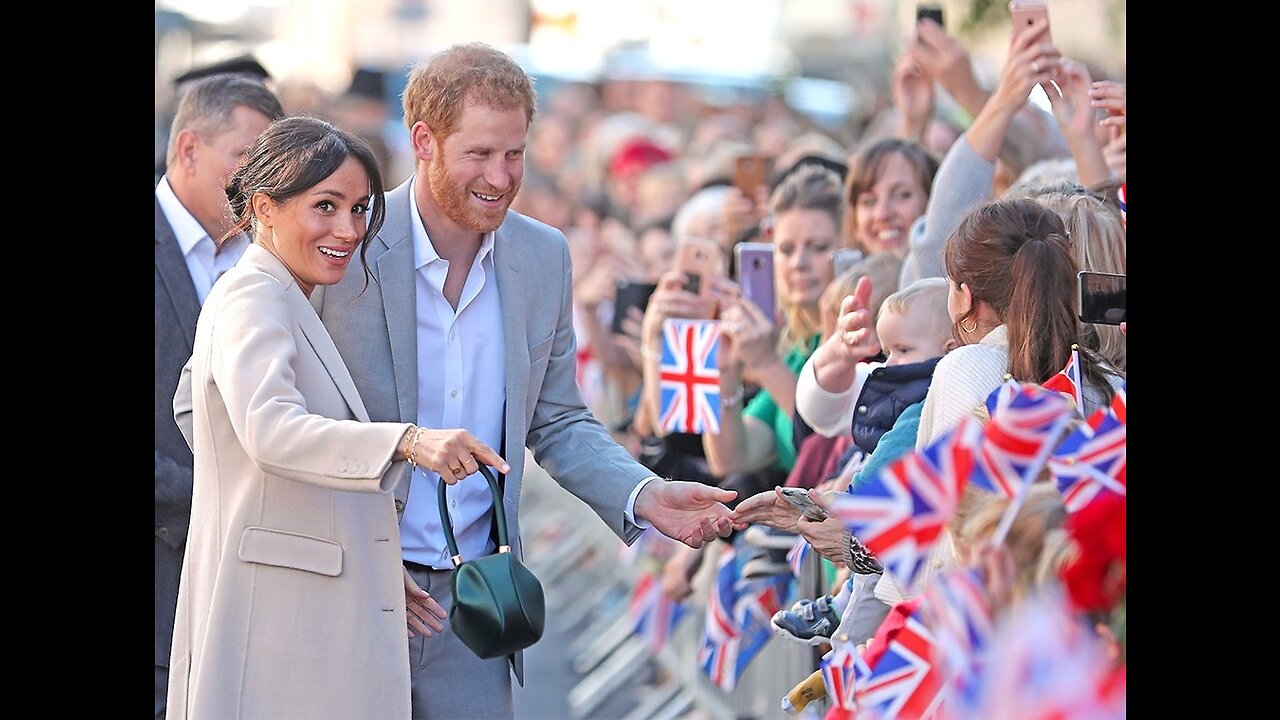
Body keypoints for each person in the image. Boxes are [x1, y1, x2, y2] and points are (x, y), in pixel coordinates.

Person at [310, 43, 740, 719]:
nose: (502, 176)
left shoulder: (543, 257)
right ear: (424, 141)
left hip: (475, 606)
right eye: (480, 154)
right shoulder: (347, 244)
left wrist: (643, 493)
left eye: (515, 154)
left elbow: (559, 419)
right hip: (353, 588)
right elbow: (301, 418)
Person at [169, 117, 459, 719]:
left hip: (291, 606)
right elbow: (271, 429)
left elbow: (196, 411)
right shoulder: (255, 293)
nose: (347, 229)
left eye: (358, 209)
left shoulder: (275, 292)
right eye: (325, 206)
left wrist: (354, 549)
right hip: (275, 622)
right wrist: (407, 442)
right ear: (264, 207)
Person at [154, 74, 283, 720]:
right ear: (188, 149)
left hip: (252, 591)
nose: (259, 183)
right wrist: (212, 501)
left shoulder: (270, 263)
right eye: (245, 159)